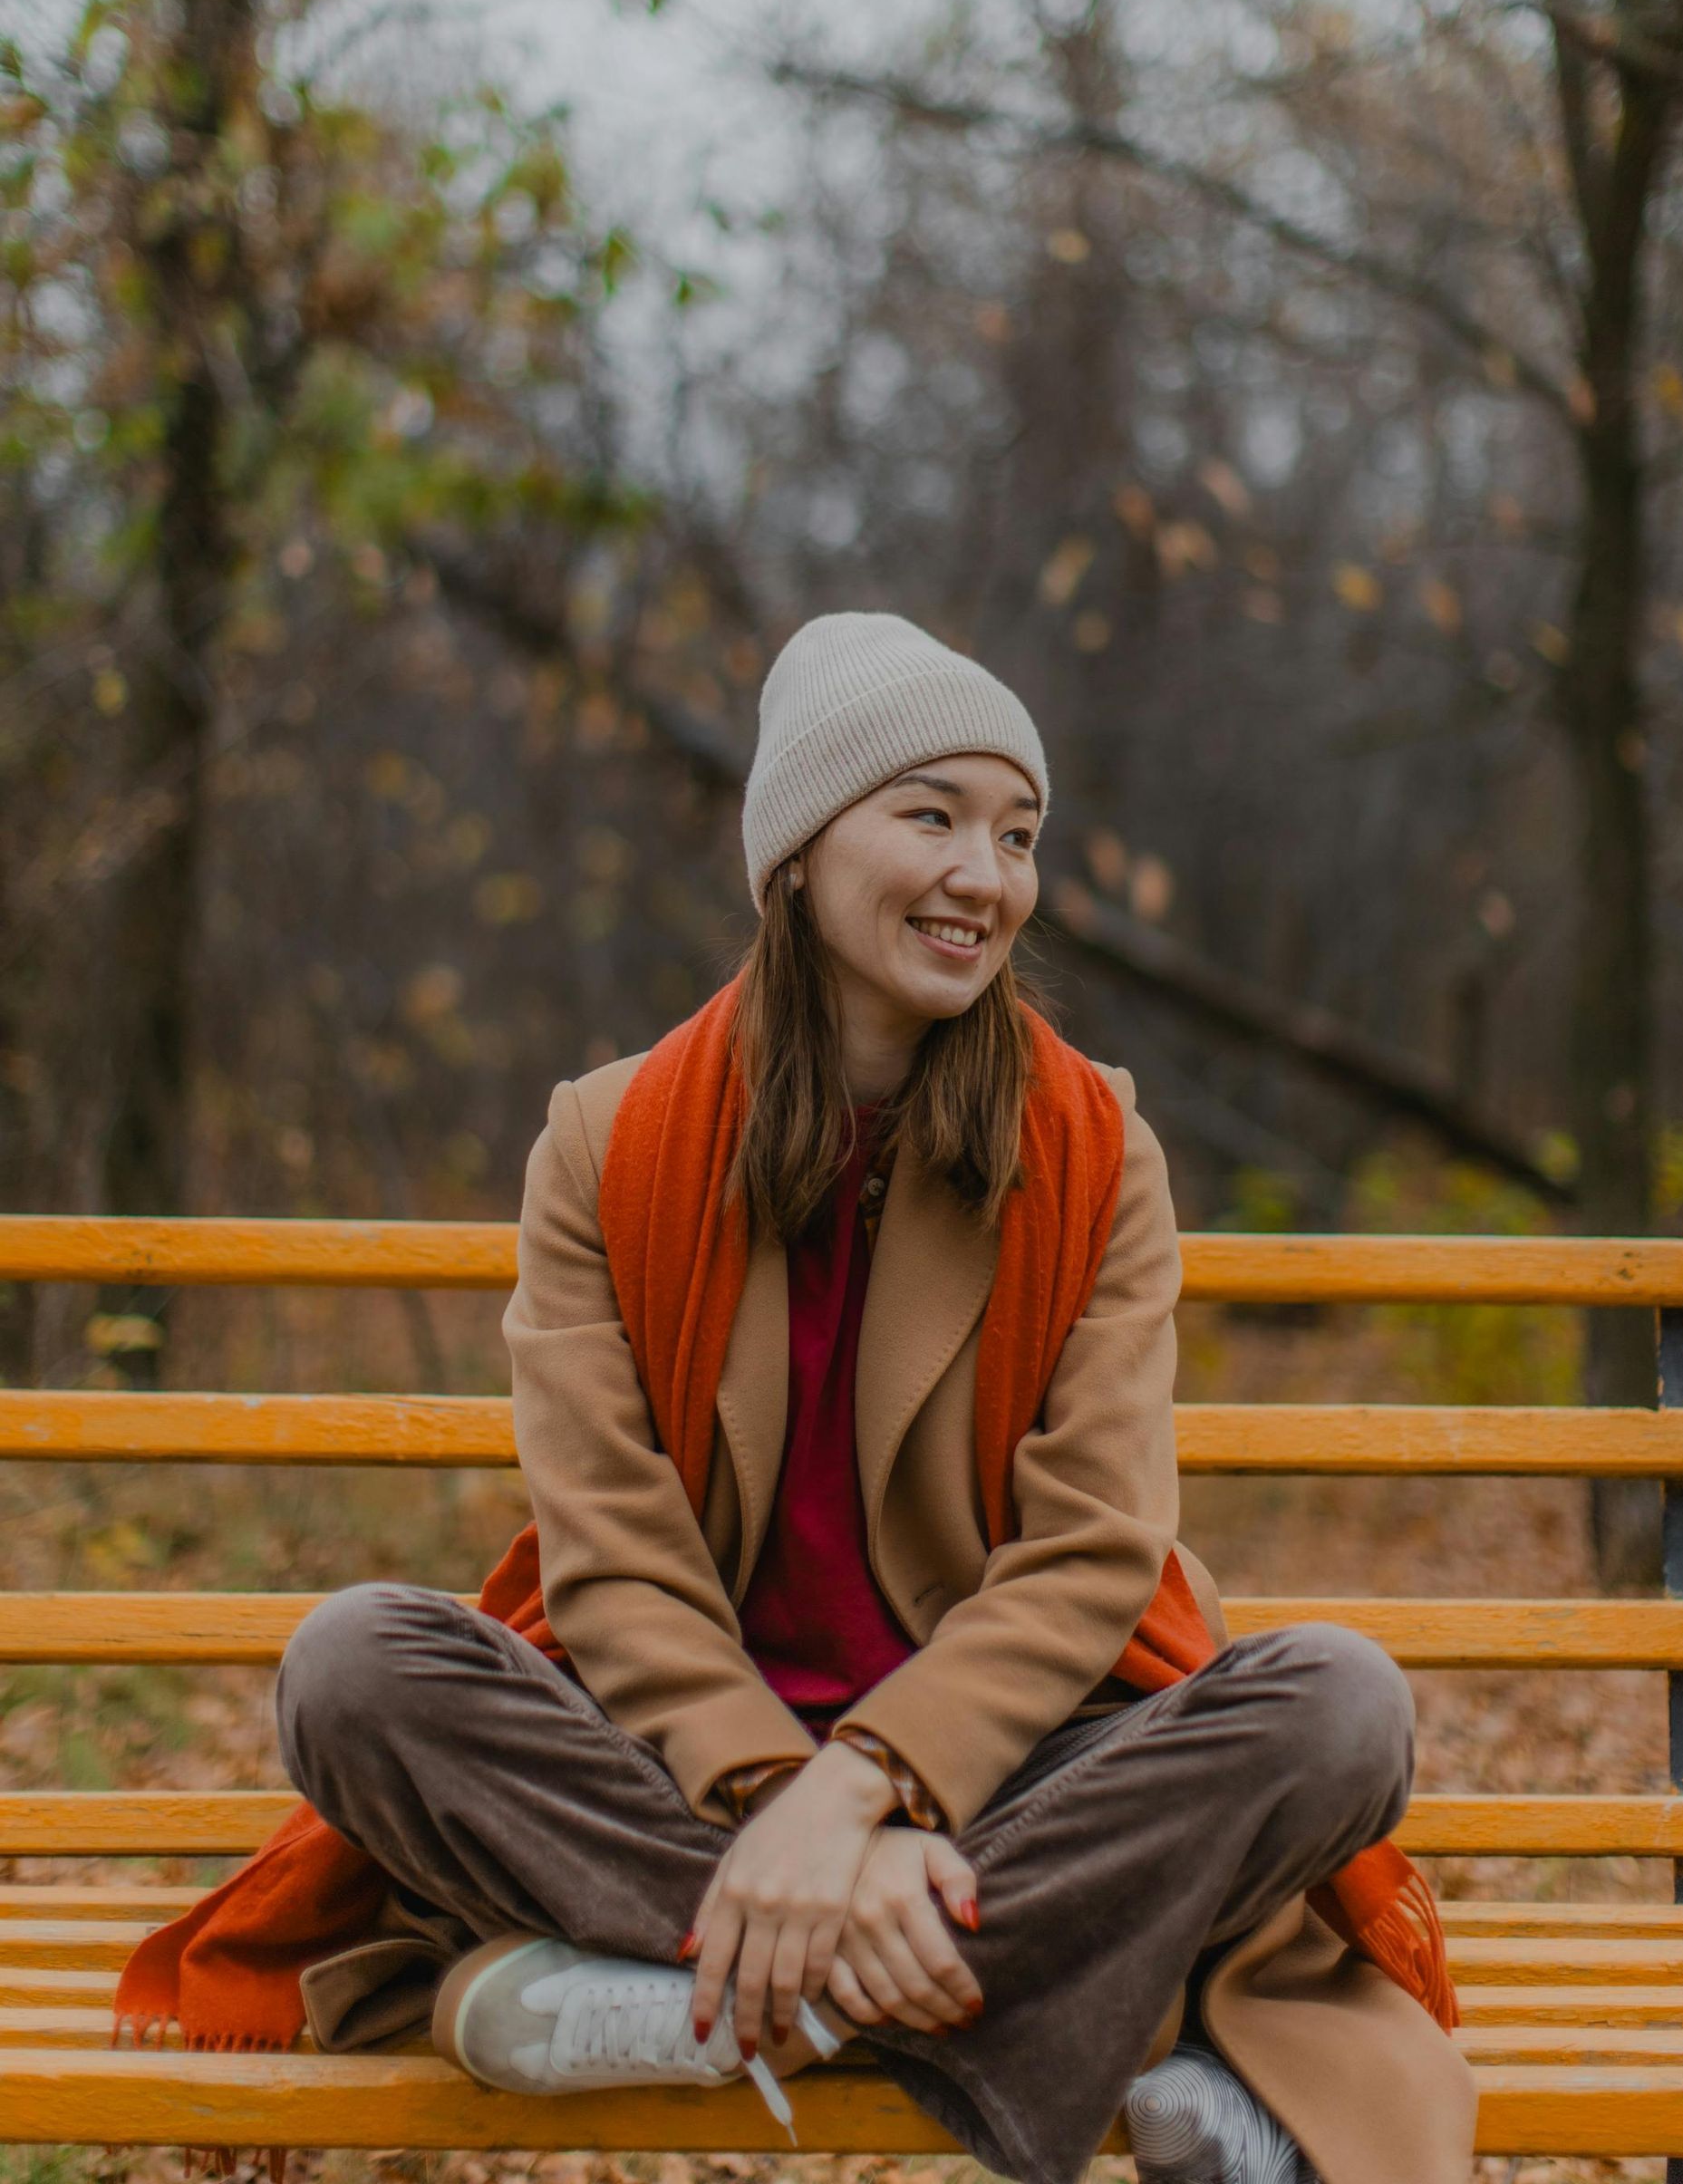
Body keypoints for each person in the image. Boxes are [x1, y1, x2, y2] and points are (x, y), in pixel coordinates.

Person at [115, 611, 1475, 2184]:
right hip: (680, 1764)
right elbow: (609, 1551)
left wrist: (873, 1790)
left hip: (1012, 1773)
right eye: (933, 816)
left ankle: (687, 1986)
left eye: (1018, 834)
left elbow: (1095, 1553)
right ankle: (1061, 1994)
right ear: (801, 853)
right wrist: (785, 1801)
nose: (986, 874)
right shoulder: (606, 1142)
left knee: (1338, 1707)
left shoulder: (1096, 1145)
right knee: (354, 1667)